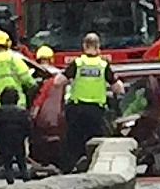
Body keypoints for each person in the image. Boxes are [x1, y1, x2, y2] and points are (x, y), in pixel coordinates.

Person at [53, 33, 125, 173]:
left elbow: (57, 82)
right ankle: (93, 168)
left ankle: (69, 169)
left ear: (84, 46)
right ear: (98, 47)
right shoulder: (103, 65)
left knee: (73, 141)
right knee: (95, 141)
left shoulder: (77, 63)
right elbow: (119, 88)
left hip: (77, 109)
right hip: (95, 111)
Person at [0, 29, 36, 110]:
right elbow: (26, 78)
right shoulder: (13, 58)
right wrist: (33, 84)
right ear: (8, 42)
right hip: (16, 104)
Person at [0, 87, 31, 184]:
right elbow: (28, 127)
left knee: (7, 161)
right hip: (18, 139)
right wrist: (24, 136)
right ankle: (25, 176)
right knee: (21, 159)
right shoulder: (22, 112)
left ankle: (10, 178)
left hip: (4, 139)